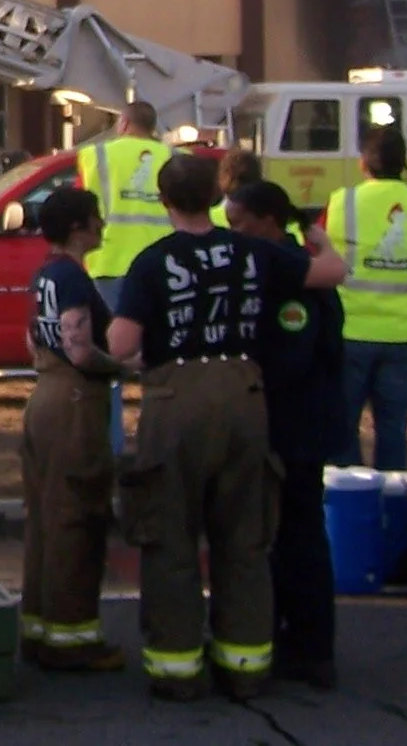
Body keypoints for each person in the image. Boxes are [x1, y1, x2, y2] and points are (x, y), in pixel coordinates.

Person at [108, 155, 348, 701]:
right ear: (216, 198)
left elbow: (122, 345)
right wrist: (318, 237)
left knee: (170, 534)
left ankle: (178, 669)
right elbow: (331, 273)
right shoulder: (254, 252)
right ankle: (245, 666)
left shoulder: (153, 262)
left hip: (178, 396)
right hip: (245, 395)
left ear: (164, 201)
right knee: (244, 535)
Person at [229, 177, 346, 690]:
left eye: (240, 222)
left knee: (296, 535)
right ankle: (286, 637)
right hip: (294, 421)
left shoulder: (289, 276)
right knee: (284, 535)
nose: (233, 232)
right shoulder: (293, 265)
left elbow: (291, 358)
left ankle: (309, 648)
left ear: (269, 222)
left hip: (292, 425)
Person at [19, 187, 126, 672]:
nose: (102, 224)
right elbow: (80, 349)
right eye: (96, 217)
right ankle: (73, 639)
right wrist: (127, 366)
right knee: (77, 520)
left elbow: (31, 338)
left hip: (43, 397)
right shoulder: (75, 280)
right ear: (80, 226)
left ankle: (38, 627)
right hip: (75, 402)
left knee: (45, 517)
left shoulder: (44, 274)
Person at [327, 126, 407, 471]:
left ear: (364, 162)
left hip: (351, 332)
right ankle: (391, 505)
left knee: (343, 430)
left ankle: (352, 508)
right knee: (393, 430)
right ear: (403, 162)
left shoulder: (344, 202)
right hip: (405, 335)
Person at [80, 100, 172, 302]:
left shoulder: (94, 155)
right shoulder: (175, 156)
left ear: (123, 123)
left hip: (110, 262)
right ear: (152, 127)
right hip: (165, 262)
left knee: (116, 329)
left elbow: (79, 202)